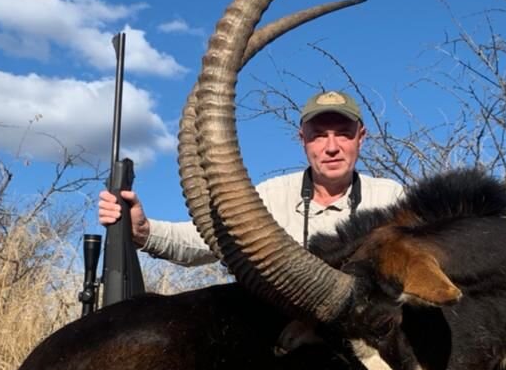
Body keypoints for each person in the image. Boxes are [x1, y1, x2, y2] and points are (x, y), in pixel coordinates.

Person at [98, 90, 405, 267]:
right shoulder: (270, 196)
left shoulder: (390, 199)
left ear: (361, 138)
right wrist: (144, 231)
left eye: (343, 134)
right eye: (319, 136)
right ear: (303, 139)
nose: (332, 147)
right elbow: (207, 238)